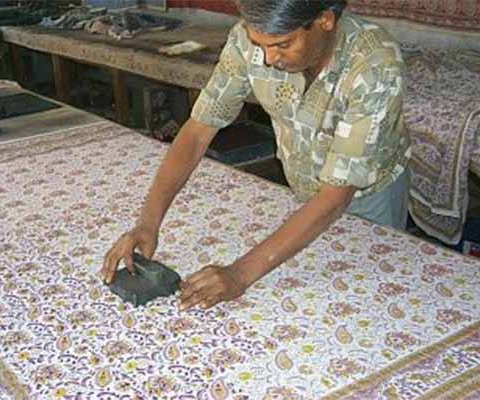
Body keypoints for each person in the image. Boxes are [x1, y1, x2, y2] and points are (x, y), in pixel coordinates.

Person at [100, 0, 410, 311]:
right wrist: (147, 223)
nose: (269, 58)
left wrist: (239, 274)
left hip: (367, 199)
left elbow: (335, 197)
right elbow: (198, 132)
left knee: (367, 297)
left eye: (282, 45)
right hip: (304, 189)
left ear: (324, 20)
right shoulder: (248, 39)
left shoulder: (375, 64)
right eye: (260, 45)